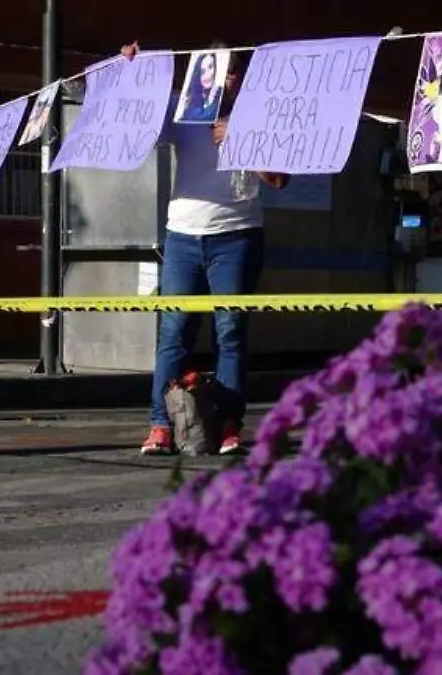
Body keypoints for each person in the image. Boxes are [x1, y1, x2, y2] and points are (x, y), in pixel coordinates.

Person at [116, 41, 290, 456]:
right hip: (182, 237)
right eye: (218, 71)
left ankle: (229, 424)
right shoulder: (183, 108)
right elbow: (135, 126)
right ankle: (161, 424)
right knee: (174, 333)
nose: (225, 80)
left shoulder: (262, 114)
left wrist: (242, 139)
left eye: (233, 72)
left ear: (242, 78)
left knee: (230, 332)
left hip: (238, 235)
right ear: (201, 72)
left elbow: (280, 179)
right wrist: (132, 73)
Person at [177, 51, 224, 123]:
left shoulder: (221, 92)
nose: (208, 75)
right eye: (202, 71)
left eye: (210, 67)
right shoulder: (190, 96)